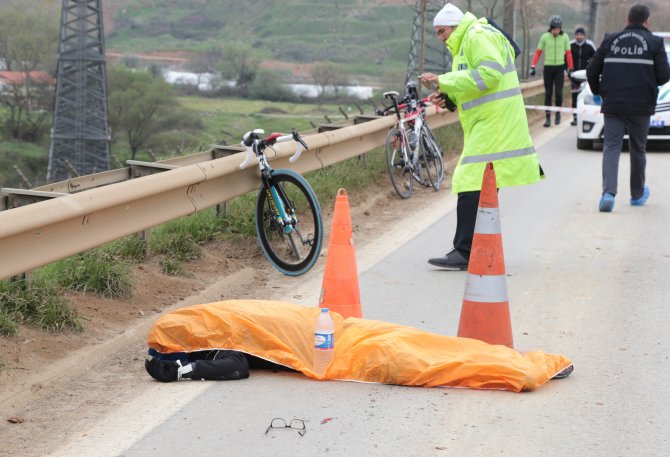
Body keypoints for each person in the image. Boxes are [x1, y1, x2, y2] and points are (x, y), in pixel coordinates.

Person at [419, 3, 543, 270]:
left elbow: (489, 75)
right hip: (488, 122)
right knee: (483, 185)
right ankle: (478, 248)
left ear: (454, 26)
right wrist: (448, 97)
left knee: (469, 180)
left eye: (442, 33)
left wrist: (445, 80)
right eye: (437, 34)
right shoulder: (466, 41)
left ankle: (465, 251)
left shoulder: (476, 35)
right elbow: (474, 84)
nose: (440, 39)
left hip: (495, 123)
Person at [586, 3, 669, 212]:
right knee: (638, 149)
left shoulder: (610, 40)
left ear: (627, 20)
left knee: (611, 147)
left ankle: (608, 194)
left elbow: (591, 70)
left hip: (613, 103)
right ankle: (637, 194)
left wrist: (599, 91)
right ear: (647, 21)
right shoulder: (655, 43)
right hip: (641, 105)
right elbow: (664, 75)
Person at [530, 15, 574, 127]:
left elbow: (568, 54)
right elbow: (538, 52)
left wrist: (571, 68)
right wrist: (533, 66)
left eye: (558, 28)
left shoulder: (564, 37)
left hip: (560, 68)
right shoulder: (545, 37)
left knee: (559, 93)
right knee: (548, 94)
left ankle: (558, 113)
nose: (556, 31)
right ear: (551, 28)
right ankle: (548, 118)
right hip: (548, 68)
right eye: (554, 28)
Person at [569, 27, 597, 125]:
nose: (579, 36)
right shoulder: (570, 45)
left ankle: (587, 117)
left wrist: (593, 70)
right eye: (577, 34)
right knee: (575, 97)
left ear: (584, 36)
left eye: (581, 34)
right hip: (574, 76)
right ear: (575, 35)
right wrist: (567, 71)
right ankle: (575, 118)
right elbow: (565, 58)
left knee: (586, 96)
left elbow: (596, 58)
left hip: (586, 76)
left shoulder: (590, 45)